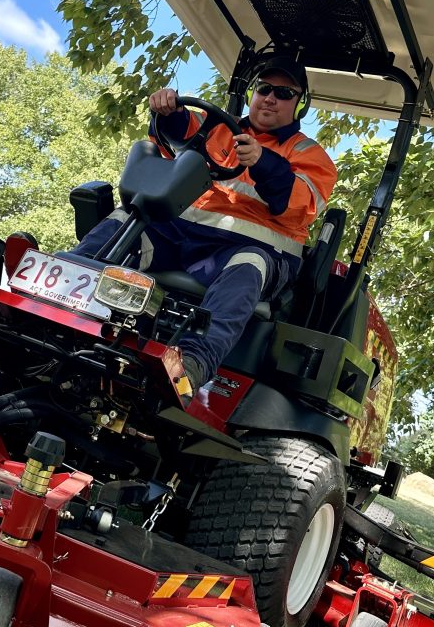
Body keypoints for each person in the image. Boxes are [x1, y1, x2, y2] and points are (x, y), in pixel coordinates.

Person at [75, 56, 337, 398]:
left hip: (247, 253)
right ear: (253, 94)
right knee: (126, 219)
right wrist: (167, 110)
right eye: (265, 89)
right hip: (180, 238)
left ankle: (192, 362)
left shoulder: (310, 155)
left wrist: (263, 162)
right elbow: (177, 130)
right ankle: (61, 290)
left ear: (299, 104)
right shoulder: (216, 127)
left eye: (284, 93)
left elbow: (297, 205)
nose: (271, 98)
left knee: (249, 263)